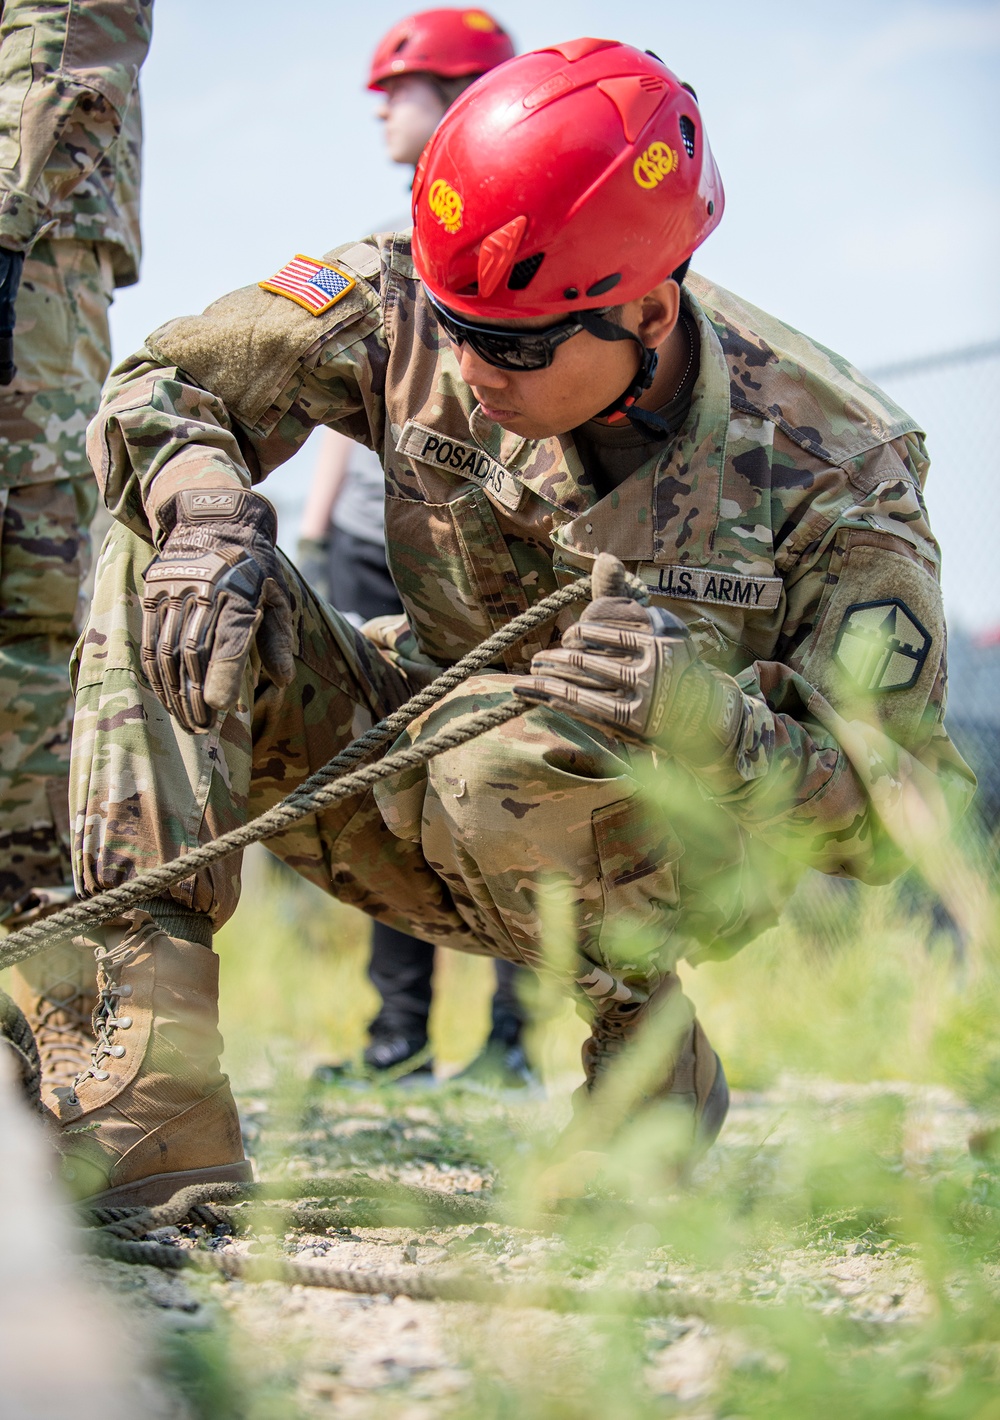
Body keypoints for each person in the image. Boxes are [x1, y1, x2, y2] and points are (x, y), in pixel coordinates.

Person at [56, 39, 973, 1207]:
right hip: (398, 769)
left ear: (644, 306)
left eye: (513, 346)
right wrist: (202, 504)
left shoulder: (835, 466)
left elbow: (902, 814)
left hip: (656, 850)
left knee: (517, 734)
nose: (466, 363)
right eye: (452, 325)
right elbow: (163, 385)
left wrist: (710, 722)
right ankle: (156, 1072)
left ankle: (645, 1060)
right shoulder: (428, 294)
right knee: (153, 549)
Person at [298, 9, 533, 1087]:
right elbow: (359, 404)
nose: (385, 111)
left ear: (458, 97)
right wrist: (312, 528)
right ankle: (396, 1041)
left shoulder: (521, 233)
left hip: (482, 560)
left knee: (511, 788)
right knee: (388, 791)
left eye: (401, 90)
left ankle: (514, 1044)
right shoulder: (394, 247)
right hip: (365, 545)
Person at [0, 0, 152, 1095]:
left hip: (29, 242)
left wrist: (6, 219)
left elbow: (68, 40)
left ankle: (48, 986)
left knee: (31, 620)